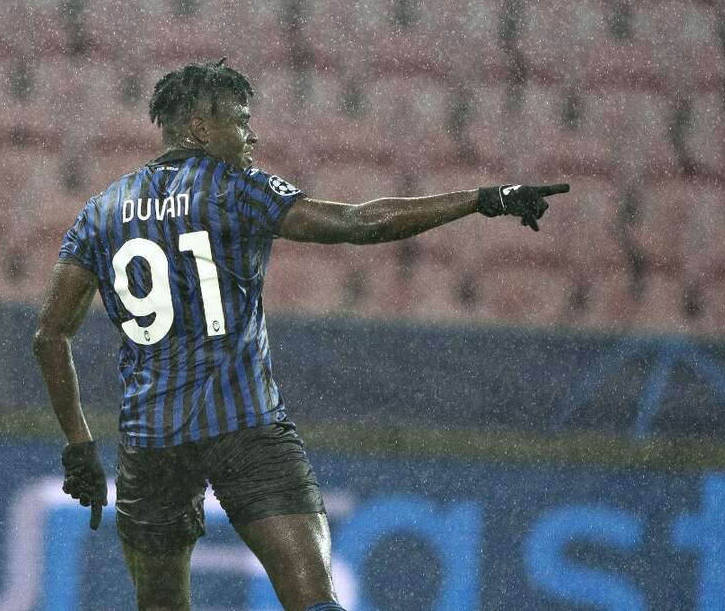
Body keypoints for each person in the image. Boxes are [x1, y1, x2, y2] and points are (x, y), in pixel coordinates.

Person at [32, 58, 569, 611]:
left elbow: (50, 336)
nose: (252, 133)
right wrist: (484, 198)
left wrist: (79, 445)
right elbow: (361, 223)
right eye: (240, 120)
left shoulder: (100, 212)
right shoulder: (234, 189)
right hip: (245, 428)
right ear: (199, 126)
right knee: (314, 604)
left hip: (152, 443)